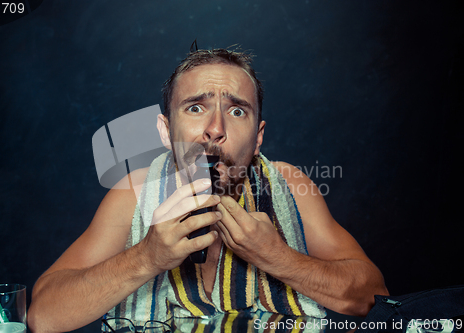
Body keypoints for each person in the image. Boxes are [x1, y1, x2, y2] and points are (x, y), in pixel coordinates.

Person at [28, 48, 388, 333]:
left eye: (236, 111)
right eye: (196, 107)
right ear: (166, 132)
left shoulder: (290, 185)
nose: (215, 129)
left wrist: (277, 256)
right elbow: (43, 317)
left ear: (258, 136)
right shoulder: (133, 193)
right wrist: (146, 258)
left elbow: (373, 296)